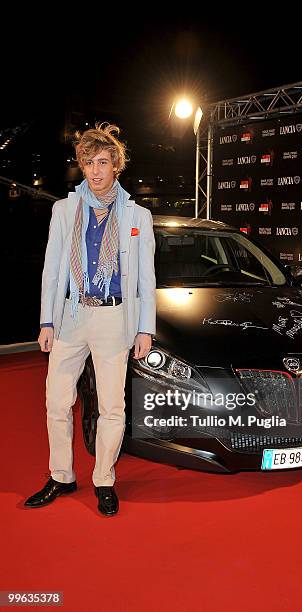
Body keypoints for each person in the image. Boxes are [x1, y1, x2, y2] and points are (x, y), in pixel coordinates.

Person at [24, 123, 156, 515]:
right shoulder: (64, 210)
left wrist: (144, 327)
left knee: (112, 407)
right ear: (81, 166)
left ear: (116, 165)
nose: (95, 171)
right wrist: (47, 321)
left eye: (102, 162)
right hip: (72, 314)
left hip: (116, 318)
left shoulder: (138, 215)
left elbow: (146, 278)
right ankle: (61, 476)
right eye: (88, 163)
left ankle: (104, 479)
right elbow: (52, 271)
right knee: (56, 401)